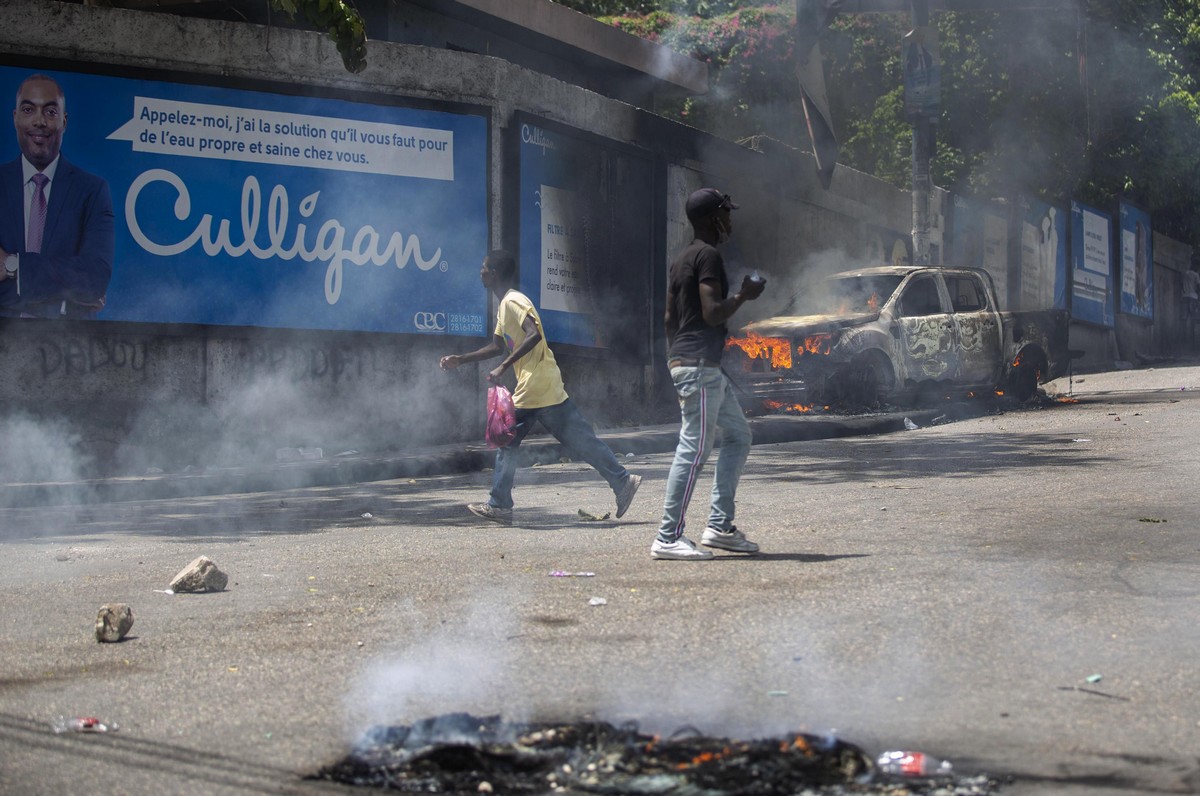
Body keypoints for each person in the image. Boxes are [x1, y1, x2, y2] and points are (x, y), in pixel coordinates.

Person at [439, 249, 641, 525]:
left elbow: (533, 335)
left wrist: (504, 367)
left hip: (534, 383)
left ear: (495, 273)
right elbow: (498, 345)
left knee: (507, 439)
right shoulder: (504, 306)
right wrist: (461, 359)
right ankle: (622, 481)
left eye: (484, 267)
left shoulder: (514, 301)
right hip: (546, 381)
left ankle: (499, 504)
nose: (481, 271)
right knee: (579, 439)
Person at [652, 188, 766, 560]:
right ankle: (667, 536)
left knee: (738, 435)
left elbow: (670, 319)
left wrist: (677, 358)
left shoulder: (681, 258)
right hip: (700, 366)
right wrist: (745, 295)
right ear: (713, 219)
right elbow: (713, 312)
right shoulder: (708, 256)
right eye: (726, 214)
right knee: (695, 447)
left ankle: (719, 526)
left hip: (695, 364)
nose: (730, 220)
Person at [0, 73, 114, 319]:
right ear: (15, 118)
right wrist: (68, 290)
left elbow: (95, 279)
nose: (39, 121)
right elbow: (84, 288)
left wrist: (13, 266)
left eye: (50, 112)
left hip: (67, 347)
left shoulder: (92, 191)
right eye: (29, 109)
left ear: (64, 122)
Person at [1183, 264, 1200, 348]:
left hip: (1185, 297)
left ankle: (1184, 342)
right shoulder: (1196, 275)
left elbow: (1182, 286)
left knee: (1185, 320)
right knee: (1194, 320)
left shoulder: (1185, 273)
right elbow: (1198, 287)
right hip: (1193, 297)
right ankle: (1193, 344)